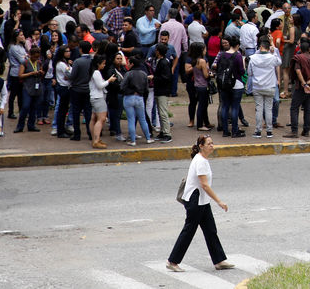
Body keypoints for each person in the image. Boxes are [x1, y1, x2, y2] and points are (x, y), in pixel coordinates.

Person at [167, 135, 234, 273]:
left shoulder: (202, 159)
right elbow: (204, 185)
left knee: (210, 230)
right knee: (189, 231)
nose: (212, 146)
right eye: (209, 143)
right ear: (201, 146)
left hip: (202, 201)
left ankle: (219, 260)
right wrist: (219, 201)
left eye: (212, 143)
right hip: (195, 200)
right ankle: (172, 261)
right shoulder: (200, 161)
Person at [283, 39, 310, 138]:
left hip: (300, 87)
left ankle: (294, 131)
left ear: (300, 48)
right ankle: (306, 131)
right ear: (309, 49)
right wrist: (309, 83)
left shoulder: (298, 58)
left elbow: (298, 71)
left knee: (294, 108)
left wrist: (304, 83)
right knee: (308, 109)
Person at [247, 37, 281, 138]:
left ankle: (258, 131)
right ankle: (269, 131)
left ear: (260, 47)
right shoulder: (272, 57)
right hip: (270, 86)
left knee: (259, 109)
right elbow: (279, 62)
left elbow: (249, 73)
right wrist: (273, 49)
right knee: (269, 109)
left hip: (257, 86)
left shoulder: (253, 58)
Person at [120, 54, 154, 146]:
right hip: (140, 98)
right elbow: (146, 89)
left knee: (131, 119)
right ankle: (148, 138)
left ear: (132, 64)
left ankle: (133, 140)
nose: (127, 64)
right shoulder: (143, 74)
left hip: (129, 98)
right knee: (142, 119)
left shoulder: (128, 74)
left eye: (128, 62)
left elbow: (122, 86)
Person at [89, 54, 116, 149]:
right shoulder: (96, 72)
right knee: (101, 119)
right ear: (98, 63)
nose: (104, 65)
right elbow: (100, 85)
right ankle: (96, 140)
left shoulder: (93, 72)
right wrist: (109, 80)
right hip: (98, 97)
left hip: (94, 97)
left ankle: (95, 139)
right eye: (103, 64)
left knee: (94, 118)